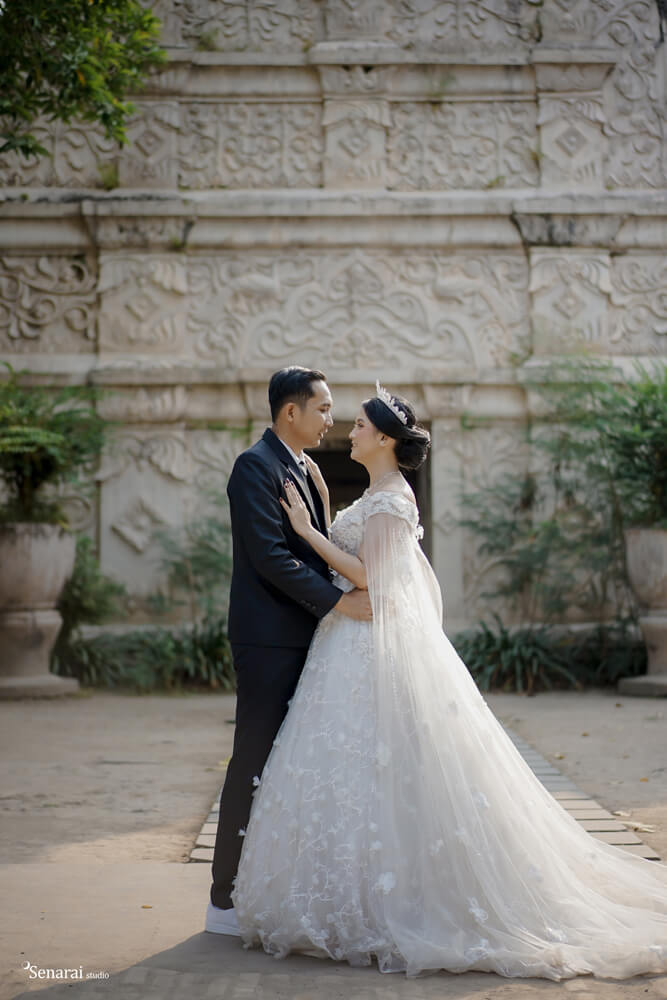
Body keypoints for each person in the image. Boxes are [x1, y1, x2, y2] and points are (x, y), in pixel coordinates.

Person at [230, 381, 667, 980]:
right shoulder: (372, 493)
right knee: (349, 766)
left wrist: (308, 532)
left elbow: (371, 575)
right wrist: (324, 517)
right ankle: (348, 893)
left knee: (385, 762)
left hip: (366, 637)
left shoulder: (393, 500)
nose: (349, 430)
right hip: (347, 642)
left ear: (385, 439)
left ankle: (394, 900)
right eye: (342, 417)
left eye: (360, 425)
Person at [205, 366, 372, 937]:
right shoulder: (254, 467)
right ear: (290, 411)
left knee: (294, 766)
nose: (331, 418)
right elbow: (271, 557)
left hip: (310, 638)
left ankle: (274, 889)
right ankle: (223, 899)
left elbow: (313, 548)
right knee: (253, 759)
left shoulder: (304, 468)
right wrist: (339, 602)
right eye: (323, 408)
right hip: (269, 639)